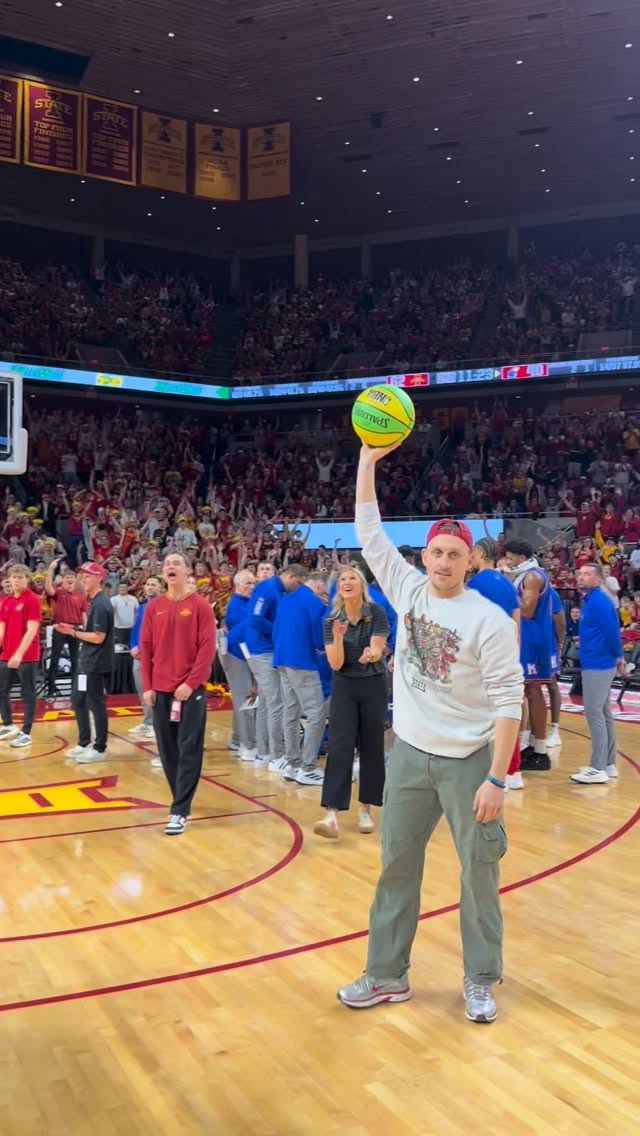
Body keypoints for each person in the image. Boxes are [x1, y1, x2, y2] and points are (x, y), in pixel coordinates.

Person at [337, 443, 523, 1024]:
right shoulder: (408, 589)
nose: (443, 562)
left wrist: (497, 778)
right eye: (437, 552)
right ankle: (387, 974)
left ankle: (479, 980)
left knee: (478, 875)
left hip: (470, 763)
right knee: (396, 866)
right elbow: (369, 531)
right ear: (424, 555)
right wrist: (367, 461)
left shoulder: (488, 620)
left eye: (454, 555)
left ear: (471, 562)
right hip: (411, 757)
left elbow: (509, 703)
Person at [140, 552, 216, 836]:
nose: (171, 567)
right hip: (160, 690)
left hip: (189, 691)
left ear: (187, 571)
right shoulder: (154, 607)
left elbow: (207, 648)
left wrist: (191, 683)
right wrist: (147, 686)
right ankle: (180, 799)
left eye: (177, 563)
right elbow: (146, 647)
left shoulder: (200, 606)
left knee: (189, 748)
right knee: (167, 749)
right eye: (167, 564)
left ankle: (179, 810)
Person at [314, 566, 389, 840]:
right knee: (340, 746)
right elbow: (336, 663)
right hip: (345, 685)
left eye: (352, 578)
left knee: (371, 746)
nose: (347, 581)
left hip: (373, 683)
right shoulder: (331, 620)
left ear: (361, 585)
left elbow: (378, 647)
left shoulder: (376, 612)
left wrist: (372, 654)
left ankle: (366, 808)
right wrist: (336, 636)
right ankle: (332, 814)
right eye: (343, 579)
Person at [467, 538, 524, 790]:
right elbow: (516, 621)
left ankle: (493, 771)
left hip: (484, 656)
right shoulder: (507, 583)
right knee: (507, 712)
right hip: (508, 654)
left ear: (480, 553)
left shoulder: (475, 584)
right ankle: (513, 770)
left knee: (485, 715)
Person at [272, 566, 327, 786]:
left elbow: (275, 629)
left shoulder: (287, 599)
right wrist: (322, 647)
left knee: (291, 711)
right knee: (316, 713)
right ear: (318, 585)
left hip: (281, 659)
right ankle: (308, 768)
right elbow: (318, 636)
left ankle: (292, 763)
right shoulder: (313, 601)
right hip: (301, 660)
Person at [570, 563, 625, 784]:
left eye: (587, 574)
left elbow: (612, 632)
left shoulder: (599, 601)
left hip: (598, 663)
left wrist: (619, 657)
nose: (581, 576)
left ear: (599, 579)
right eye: (580, 573)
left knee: (594, 713)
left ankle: (597, 767)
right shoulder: (591, 600)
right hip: (597, 661)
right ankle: (608, 764)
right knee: (603, 713)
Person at [56, 562, 115, 764]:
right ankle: (84, 743)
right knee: (78, 699)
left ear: (99, 578)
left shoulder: (101, 604)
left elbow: (98, 637)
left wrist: (72, 632)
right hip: (86, 661)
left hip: (95, 663)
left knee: (95, 702)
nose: (83, 579)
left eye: (87, 576)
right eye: (82, 576)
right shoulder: (93, 602)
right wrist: (76, 629)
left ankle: (99, 748)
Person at [504, 540, 553, 772]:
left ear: (521, 558)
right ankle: (533, 746)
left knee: (531, 691)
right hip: (529, 637)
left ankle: (540, 752)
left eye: (510, 558)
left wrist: (505, 587)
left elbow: (526, 610)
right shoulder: (527, 574)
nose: (508, 561)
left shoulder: (532, 577)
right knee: (529, 692)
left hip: (532, 639)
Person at [245, 562, 287, 771]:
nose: (265, 572)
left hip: (262, 648)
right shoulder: (267, 589)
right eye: (262, 569)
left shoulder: (271, 589)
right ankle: (275, 756)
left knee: (265, 702)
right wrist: (279, 630)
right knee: (275, 702)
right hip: (263, 650)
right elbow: (255, 619)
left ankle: (264, 752)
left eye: (268, 569)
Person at [0, 565, 42, 749]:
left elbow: (32, 630)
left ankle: (26, 733)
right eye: (13, 577)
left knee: (27, 693)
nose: (16, 580)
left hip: (27, 656)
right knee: (2, 690)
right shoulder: (6, 601)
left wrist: (18, 653)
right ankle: (8, 725)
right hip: (7, 654)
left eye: (20, 577)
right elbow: (1, 629)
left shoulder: (32, 600)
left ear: (27, 579)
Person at [221, 569, 258, 762]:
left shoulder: (243, 603)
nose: (252, 587)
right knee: (245, 699)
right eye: (247, 583)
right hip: (237, 655)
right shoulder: (237, 605)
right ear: (237, 585)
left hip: (238, 654)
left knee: (241, 697)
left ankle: (237, 738)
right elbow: (248, 632)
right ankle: (248, 745)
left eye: (253, 583)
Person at [44, 557, 87, 696]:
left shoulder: (80, 596)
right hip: (60, 629)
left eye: (71, 577)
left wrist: (87, 632)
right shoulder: (58, 592)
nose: (69, 579)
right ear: (62, 580)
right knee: (54, 659)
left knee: (76, 660)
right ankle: (51, 691)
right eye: (67, 577)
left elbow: (84, 615)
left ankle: (77, 690)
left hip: (75, 630)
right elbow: (48, 588)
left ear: (75, 580)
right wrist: (51, 569)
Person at [129, 575, 162, 740]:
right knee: (142, 689)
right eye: (147, 584)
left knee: (155, 690)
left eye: (153, 584)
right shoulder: (141, 607)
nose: (149, 587)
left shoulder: (162, 606)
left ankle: (158, 725)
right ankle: (148, 721)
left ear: (161, 588)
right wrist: (133, 646)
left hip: (153, 655)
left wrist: (144, 649)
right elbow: (135, 629)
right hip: (138, 654)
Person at [546, 588, 566, 749]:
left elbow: (560, 622)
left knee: (551, 685)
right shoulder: (519, 589)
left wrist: (559, 644)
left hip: (547, 645)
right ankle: (529, 730)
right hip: (527, 644)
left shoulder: (551, 594)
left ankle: (554, 730)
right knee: (527, 689)